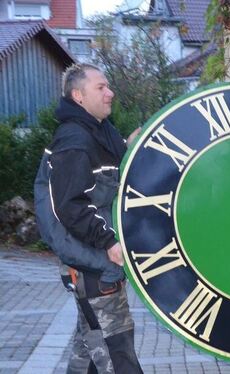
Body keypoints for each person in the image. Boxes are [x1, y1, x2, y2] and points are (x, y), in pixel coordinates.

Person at [34, 63, 143, 373]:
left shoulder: (97, 132)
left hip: (92, 261)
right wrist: (108, 242)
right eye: (101, 87)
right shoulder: (74, 141)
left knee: (89, 345)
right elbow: (72, 207)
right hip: (91, 262)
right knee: (116, 347)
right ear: (78, 95)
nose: (110, 92)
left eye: (108, 86)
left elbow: (104, 179)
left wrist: (131, 145)